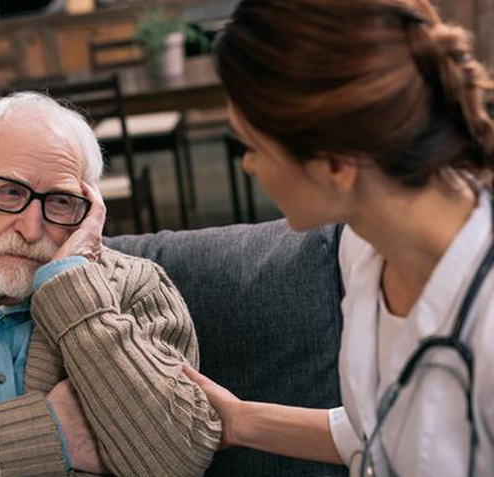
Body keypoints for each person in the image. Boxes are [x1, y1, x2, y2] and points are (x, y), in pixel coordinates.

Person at [183, 0, 494, 475]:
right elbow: (384, 432)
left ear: (335, 163)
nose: (248, 165)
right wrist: (240, 421)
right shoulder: (363, 247)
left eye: (252, 146)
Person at [0, 92, 221, 477]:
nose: (31, 230)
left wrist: (71, 290)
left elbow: (175, 463)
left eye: (61, 201)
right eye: (10, 191)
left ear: (89, 210)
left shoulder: (137, 289)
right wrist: (50, 433)